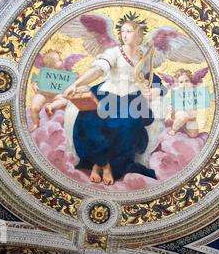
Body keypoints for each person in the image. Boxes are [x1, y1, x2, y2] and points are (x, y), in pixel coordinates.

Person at [63, 20, 166, 186]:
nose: (124, 35)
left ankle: (106, 165)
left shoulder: (144, 55)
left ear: (139, 34)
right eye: (123, 31)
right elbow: (97, 70)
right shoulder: (114, 52)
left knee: (128, 124)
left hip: (132, 97)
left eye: (129, 31)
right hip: (107, 93)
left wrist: (157, 90)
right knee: (92, 120)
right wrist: (76, 84)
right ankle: (101, 164)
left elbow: (154, 79)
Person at [30, 50, 69, 131]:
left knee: (64, 100)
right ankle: (36, 123)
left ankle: (51, 106)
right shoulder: (43, 72)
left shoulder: (64, 72)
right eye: (59, 60)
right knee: (34, 107)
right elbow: (35, 78)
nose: (62, 61)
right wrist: (34, 84)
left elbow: (69, 80)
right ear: (51, 65)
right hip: (43, 94)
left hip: (56, 95)